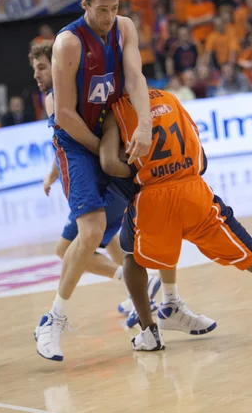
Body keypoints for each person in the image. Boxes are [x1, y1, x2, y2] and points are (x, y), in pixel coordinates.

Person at [100, 89, 252, 351]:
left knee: (130, 255)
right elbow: (198, 149)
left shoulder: (115, 112)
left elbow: (107, 164)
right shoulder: (168, 98)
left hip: (153, 200)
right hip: (193, 193)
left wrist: (139, 173)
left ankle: (149, 332)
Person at [34, 0, 153, 362]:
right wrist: (104, 155)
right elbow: (65, 114)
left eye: (114, 8)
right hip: (77, 141)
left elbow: (135, 78)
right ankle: (53, 319)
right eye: (101, 9)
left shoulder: (124, 28)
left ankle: (168, 301)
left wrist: (146, 126)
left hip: (111, 132)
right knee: (91, 232)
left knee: (151, 206)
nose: (108, 16)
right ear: (84, 4)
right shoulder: (68, 44)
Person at [29, 40, 161, 320]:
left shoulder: (56, 97)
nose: (37, 74)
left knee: (66, 249)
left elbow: (71, 141)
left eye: (41, 67)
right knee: (105, 235)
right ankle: (140, 289)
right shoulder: (76, 91)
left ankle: (133, 283)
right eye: (35, 69)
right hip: (110, 180)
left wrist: (57, 173)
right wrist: (53, 173)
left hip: (101, 179)